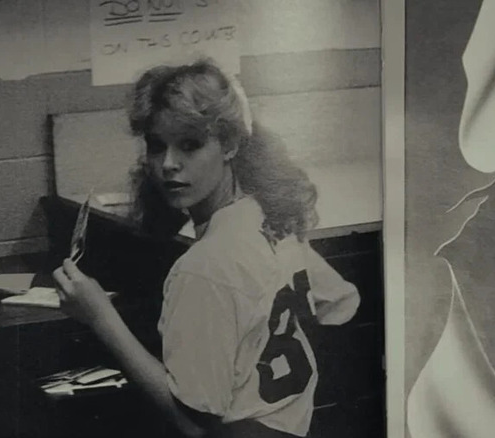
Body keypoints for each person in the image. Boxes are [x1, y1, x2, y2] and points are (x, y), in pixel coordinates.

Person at [53, 59, 360, 438]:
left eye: (190, 145)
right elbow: (341, 304)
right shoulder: (267, 218)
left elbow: (194, 426)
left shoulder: (203, 267)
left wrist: (100, 316)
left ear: (229, 144)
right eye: (156, 146)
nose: (168, 164)